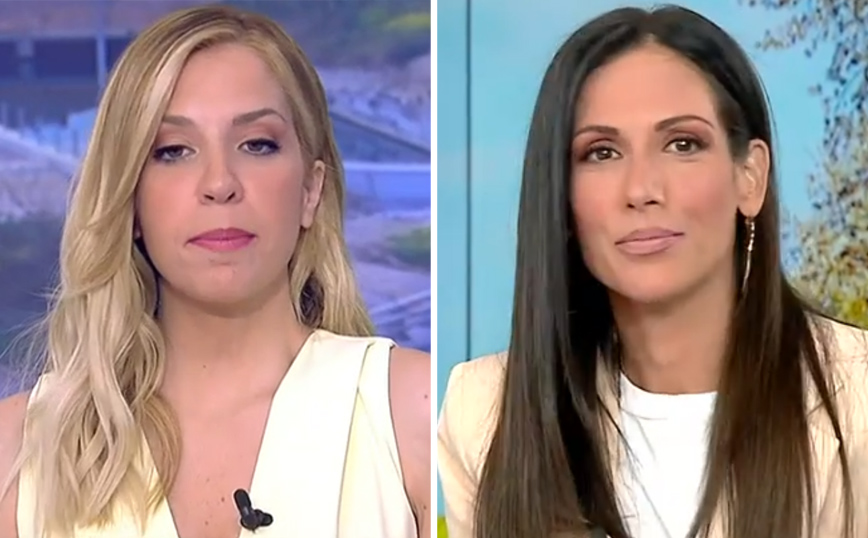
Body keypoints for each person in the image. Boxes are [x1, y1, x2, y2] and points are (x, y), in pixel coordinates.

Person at [0, 5, 431, 538]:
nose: (220, 183)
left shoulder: (415, 414)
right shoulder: (19, 455)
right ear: (129, 200)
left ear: (310, 190)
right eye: (173, 151)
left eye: (257, 144)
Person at [438, 5, 867, 538]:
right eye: (602, 153)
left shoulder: (856, 398)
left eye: (682, 144)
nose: (641, 189)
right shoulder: (484, 415)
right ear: (562, 198)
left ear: (749, 177)